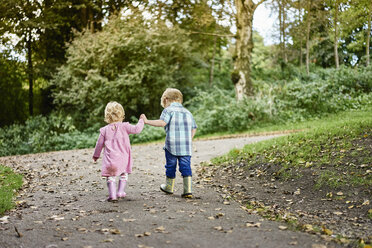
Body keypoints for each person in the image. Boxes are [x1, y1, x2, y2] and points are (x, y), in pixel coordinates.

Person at [140, 88, 197, 198]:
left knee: (171, 166)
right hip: (186, 146)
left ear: (165, 100)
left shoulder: (168, 110)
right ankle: (188, 190)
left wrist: (147, 121)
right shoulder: (188, 112)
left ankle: (169, 187)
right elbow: (194, 128)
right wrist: (189, 139)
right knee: (186, 166)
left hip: (172, 145)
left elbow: (162, 122)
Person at [93, 101, 144, 202]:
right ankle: (120, 191)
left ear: (107, 116)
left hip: (110, 160)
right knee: (123, 173)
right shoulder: (125, 126)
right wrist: (141, 120)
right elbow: (137, 129)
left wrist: (96, 155)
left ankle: (112, 195)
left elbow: (99, 144)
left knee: (110, 177)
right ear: (122, 115)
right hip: (123, 159)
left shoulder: (104, 130)